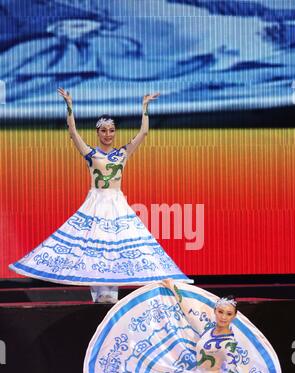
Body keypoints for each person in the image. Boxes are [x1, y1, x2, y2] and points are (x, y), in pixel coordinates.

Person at [9, 90, 193, 303]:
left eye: (111, 130)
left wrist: (145, 108)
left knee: (116, 245)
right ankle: (98, 294)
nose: (108, 134)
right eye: (104, 130)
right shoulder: (91, 154)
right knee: (93, 246)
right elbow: (73, 132)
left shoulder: (122, 153)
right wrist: (69, 105)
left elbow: (143, 133)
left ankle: (111, 294)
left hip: (116, 203)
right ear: (98, 133)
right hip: (96, 202)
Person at [83, 279, 282, 373]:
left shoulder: (229, 340)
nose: (223, 316)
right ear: (215, 312)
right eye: (220, 312)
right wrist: (173, 289)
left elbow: (230, 361)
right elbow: (188, 311)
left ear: (234, 316)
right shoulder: (209, 329)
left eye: (228, 314)